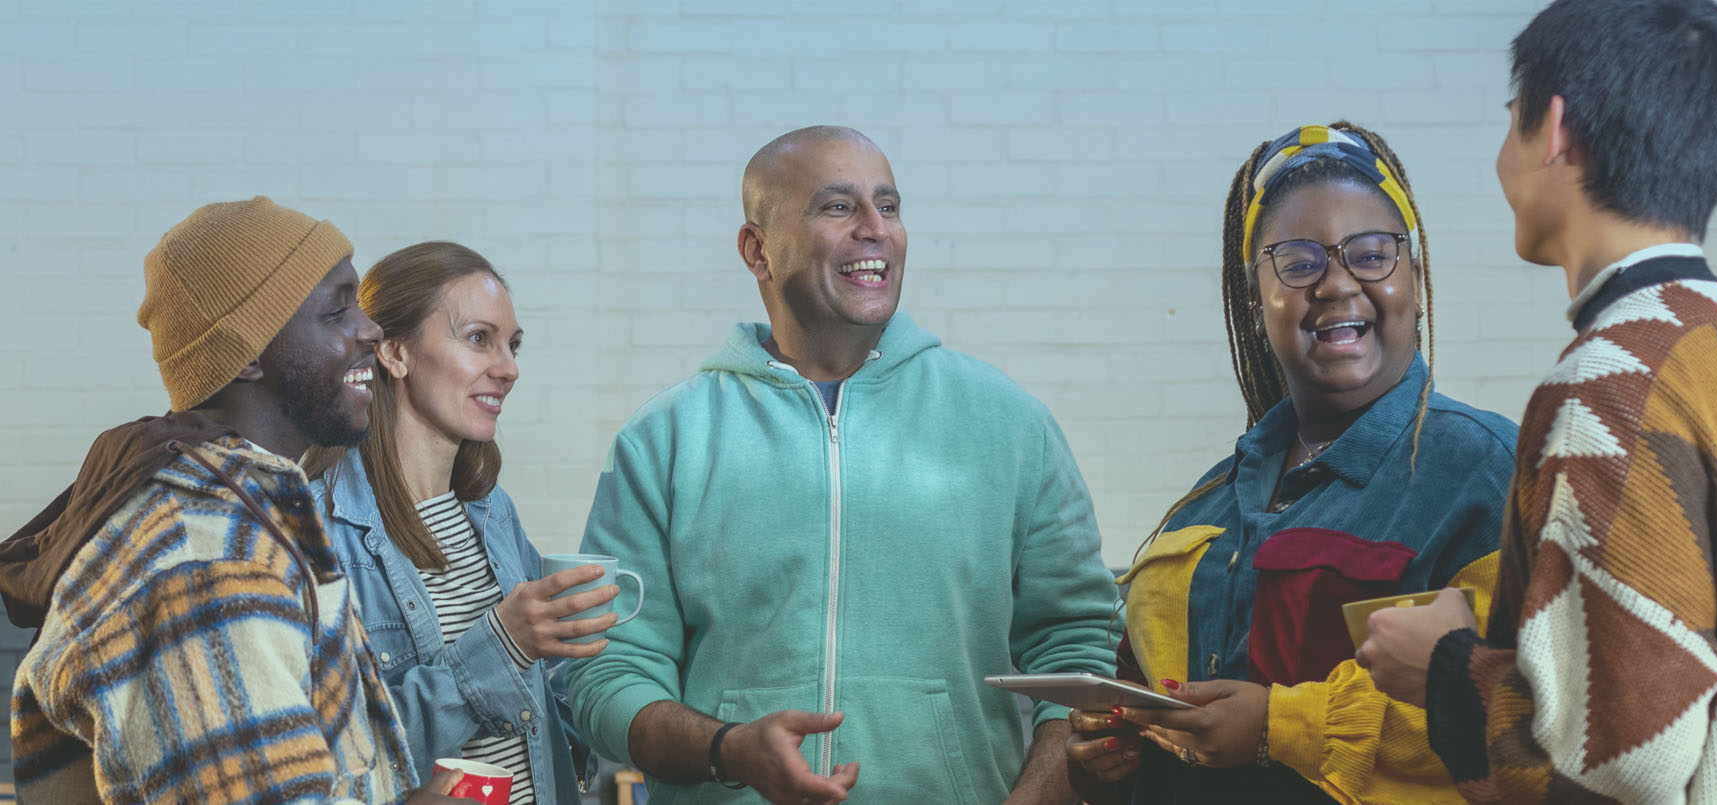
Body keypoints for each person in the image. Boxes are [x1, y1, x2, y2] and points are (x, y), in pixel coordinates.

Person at [1356, 1, 1717, 802]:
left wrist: (1443, 665)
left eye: (1511, 122)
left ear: (1556, 129)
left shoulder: (1611, 388)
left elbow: (1614, 768)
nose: (1503, 158)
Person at [566, 125, 1120, 804]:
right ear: (757, 249)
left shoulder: (1010, 423)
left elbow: (1078, 651)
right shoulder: (664, 440)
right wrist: (728, 748)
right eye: (838, 207)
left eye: (888, 206)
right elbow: (608, 676)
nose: (875, 229)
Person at [1065, 123, 1520, 804]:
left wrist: (1280, 727)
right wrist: (1110, 739)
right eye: (1300, 262)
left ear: (1416, 283)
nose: (1337, 284)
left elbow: (1528, 726)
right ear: (1255, 302)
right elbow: (1136, 705)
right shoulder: (1205, 507)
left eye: (1371, 254)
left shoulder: (1487, 475)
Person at [0, 197, 461, 803]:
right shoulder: (206, 559)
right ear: (245, 354)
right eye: (336, 311)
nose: (370, 330)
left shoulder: (241, 515)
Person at [306, 242, 605, 805]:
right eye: (478, 339)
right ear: (394, 353)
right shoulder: (322, 531)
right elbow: (336, 758)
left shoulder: (492, 510)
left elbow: (541, 704)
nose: (509, 369)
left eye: (512, 345)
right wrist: (504, 646)